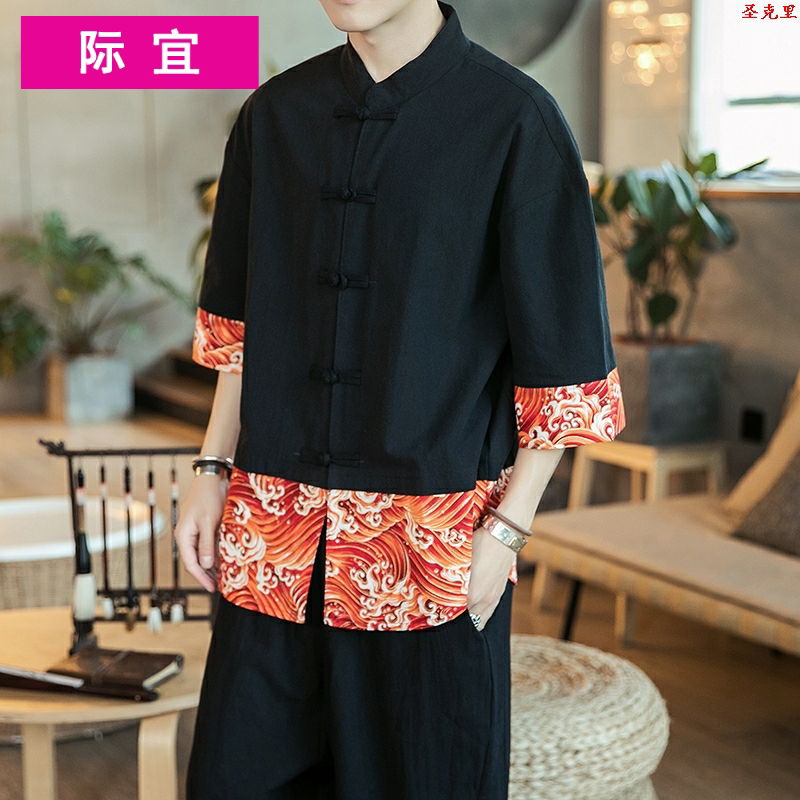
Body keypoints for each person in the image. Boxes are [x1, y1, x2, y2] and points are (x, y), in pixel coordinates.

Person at [176, 1, 625, 798]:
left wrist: (507, 533)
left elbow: (563, 366)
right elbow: (240, 323)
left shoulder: (516, 121)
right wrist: (211, 470)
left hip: (430, 554)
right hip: (274, 539)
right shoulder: (274, 116)